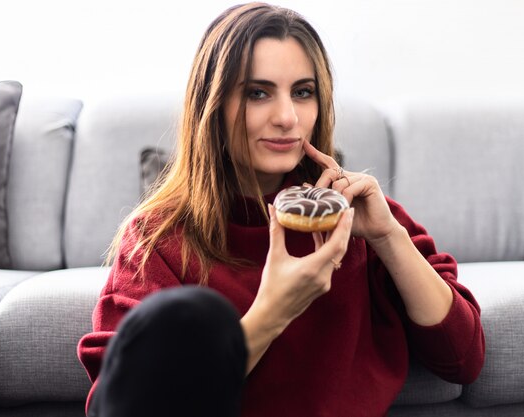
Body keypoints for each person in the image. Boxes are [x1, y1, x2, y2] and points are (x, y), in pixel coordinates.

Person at [77, 2, 485, 416]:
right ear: (212, 106)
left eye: (303, 93)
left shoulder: (362, 217)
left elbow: (463, 358)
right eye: (258, 93)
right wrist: (273, 310)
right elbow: (122, 405)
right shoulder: (157, 240)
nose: (288, 117)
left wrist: (388, 238)